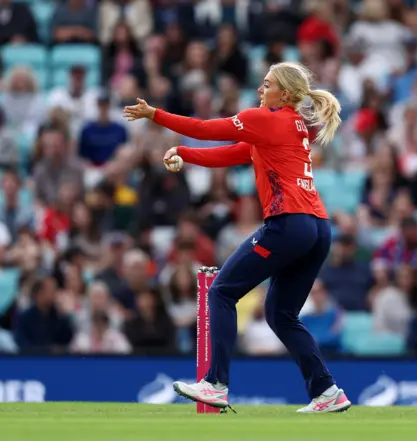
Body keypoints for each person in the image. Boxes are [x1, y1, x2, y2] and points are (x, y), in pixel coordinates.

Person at [123, 62, 351, 413]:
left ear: (285, 95)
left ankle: (216, 384)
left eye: (267, 85)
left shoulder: (266, 119)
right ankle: (326, 391)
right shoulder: (290, 125)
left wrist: (155, 114)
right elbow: (231, 154)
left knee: (223, 292)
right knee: (281, 314)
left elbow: (203, 128)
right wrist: (184, 153)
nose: (260, 90)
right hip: (318, 227)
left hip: (288, 223)